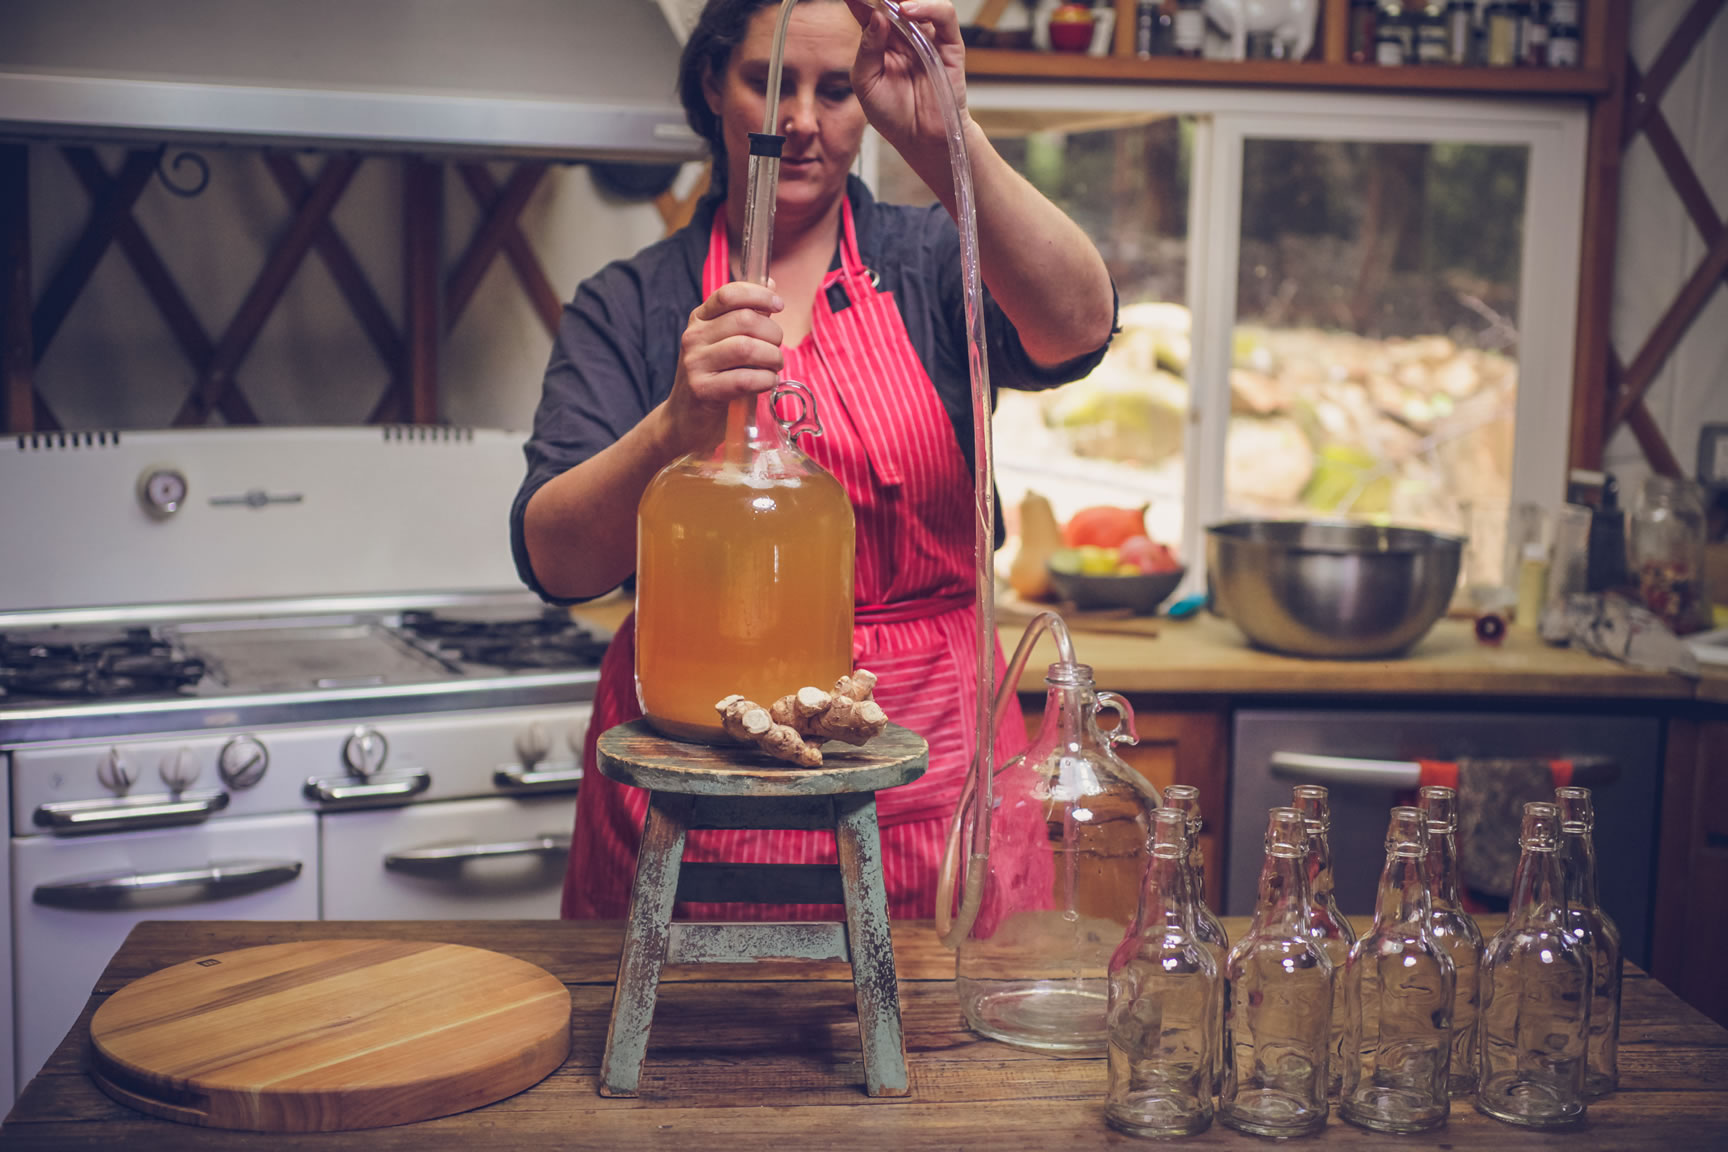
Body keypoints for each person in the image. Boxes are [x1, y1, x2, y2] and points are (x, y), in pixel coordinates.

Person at [512, 0, 1116, 920]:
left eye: (837, 92)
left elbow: (1080, 325)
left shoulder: (931, 261)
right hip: (695, 769)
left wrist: (948, 139)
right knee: (685, 1049)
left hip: (929, 773)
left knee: (937, 1049)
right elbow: (558, 561)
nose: (800, 123)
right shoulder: (634, 302)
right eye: (769, 82)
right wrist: (676, 424)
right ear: (714, 82)